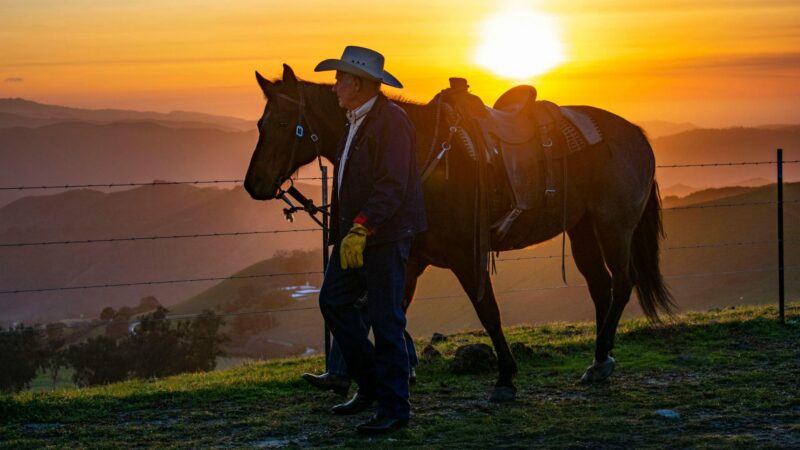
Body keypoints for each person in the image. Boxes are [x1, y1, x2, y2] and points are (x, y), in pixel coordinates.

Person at [313, 45, 426, 434]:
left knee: (385, 319)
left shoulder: (391, 121)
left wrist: (362, 227)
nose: (335, 87)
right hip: (356, 237)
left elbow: (392, 185)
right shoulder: (355, 120)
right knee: (334, 301)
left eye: (340, 79)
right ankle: (372, 387)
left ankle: (395, 408)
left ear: (358, 83)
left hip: (383, 237)